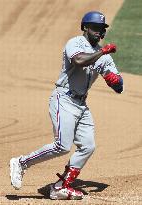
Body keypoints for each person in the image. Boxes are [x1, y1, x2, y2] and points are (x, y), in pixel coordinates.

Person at [10, 11, 123, 200]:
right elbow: (78, 61)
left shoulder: (104, 56)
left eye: (101, 29)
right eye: (95, 28)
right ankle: (21, 163)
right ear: (85, 27)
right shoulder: (75, 43)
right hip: (64, 99)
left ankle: (61, 186)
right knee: (62, 145)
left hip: (81, 105)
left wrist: (114, 81)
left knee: (88, 146)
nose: (99, 32)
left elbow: (120, 86)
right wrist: (102, 52)